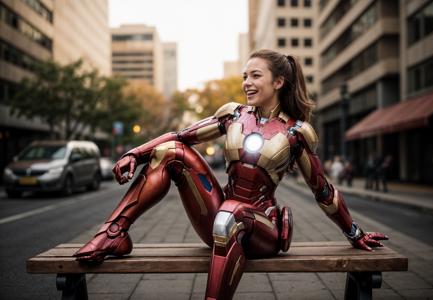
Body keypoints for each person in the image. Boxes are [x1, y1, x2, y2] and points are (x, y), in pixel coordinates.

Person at [74, 49, 388, 300]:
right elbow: (180, 135)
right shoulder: (233, 114)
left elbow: (323, 190)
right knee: (171, 151)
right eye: (244, 76)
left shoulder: (297, 132)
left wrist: (354, 232)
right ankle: (114, 235)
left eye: (255, 76)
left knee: (232, 214)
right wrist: (135, 152)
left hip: (260, 229)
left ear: (278, 82)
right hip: (222, 213)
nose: (246, 83)